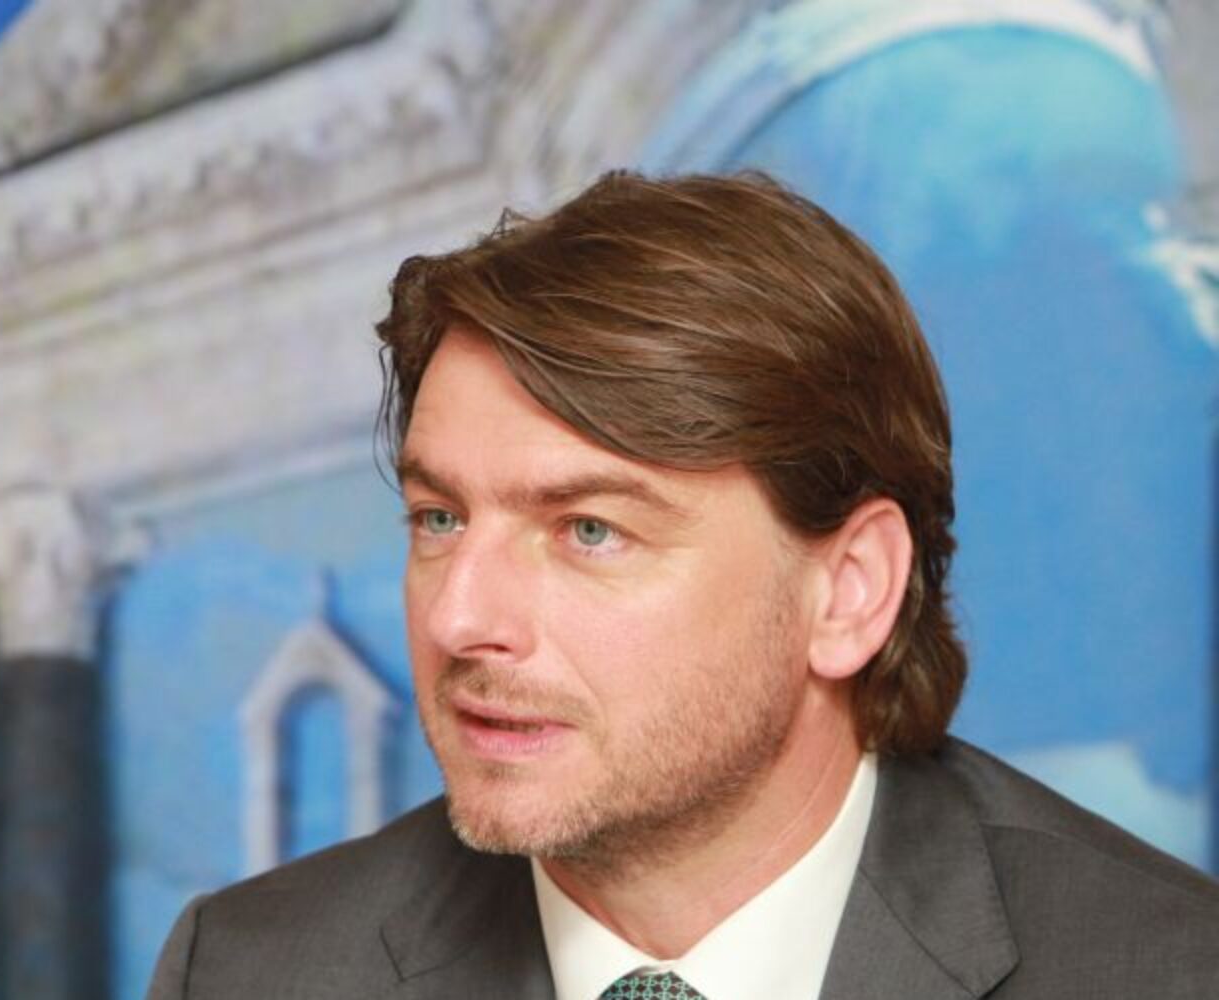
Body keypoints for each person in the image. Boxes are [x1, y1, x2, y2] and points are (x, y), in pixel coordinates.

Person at [147, 172, 1219, 999]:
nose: (459, 617)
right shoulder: (248, 971)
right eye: (440, 518)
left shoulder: (1165, 971)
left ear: (849, 590)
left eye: (590, 530)